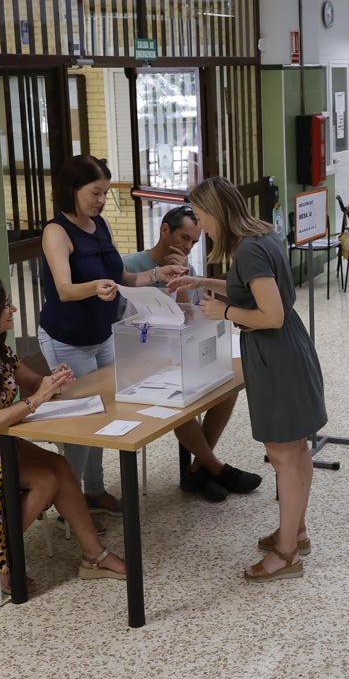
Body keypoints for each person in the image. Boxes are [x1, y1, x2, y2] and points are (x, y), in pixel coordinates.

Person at [166, 176, 327, 581]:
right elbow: (254, 291)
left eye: (201, 217)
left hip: (274, 352)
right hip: (288, 347)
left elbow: (268, 315)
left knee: (283, 456)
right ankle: (296, 531)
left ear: (217, 212)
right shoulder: (262, 236)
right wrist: (205, 283)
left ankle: (287, 554)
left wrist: (224, 313)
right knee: (295, 449)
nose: (201, 226)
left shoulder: (249, 250)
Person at [0, 277, 126, 591]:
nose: (13, 308)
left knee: (59, 467)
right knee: (45, 480)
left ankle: (94, 555)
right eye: (6, 305)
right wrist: (35, 400)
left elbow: (33, 382)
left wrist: (53, 381)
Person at [39, 154, 170, 516]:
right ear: (72, 189)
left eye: (104, 193)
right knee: (84, 422)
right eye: (95, 193)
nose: (100, 201)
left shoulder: (101, 225)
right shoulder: (57, 232)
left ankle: (94, 492)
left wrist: (160, 274)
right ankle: (72, 504)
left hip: (102, 335)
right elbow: (64, 289)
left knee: (109, 410)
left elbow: (125, 279)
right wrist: (96, 286)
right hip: (67, 338)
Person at [122, 206, 262, 503]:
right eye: (184, 237)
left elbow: (190, 320)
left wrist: (184, 282)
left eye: (193, 243)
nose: (187, 246)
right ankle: (215, 467)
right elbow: (123, 325)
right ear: (164, 230)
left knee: (228, 387)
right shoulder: (131, 266)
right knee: (179, 403)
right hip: (142, 359)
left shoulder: (190, 269)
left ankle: (197, 469)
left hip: (179, 353)